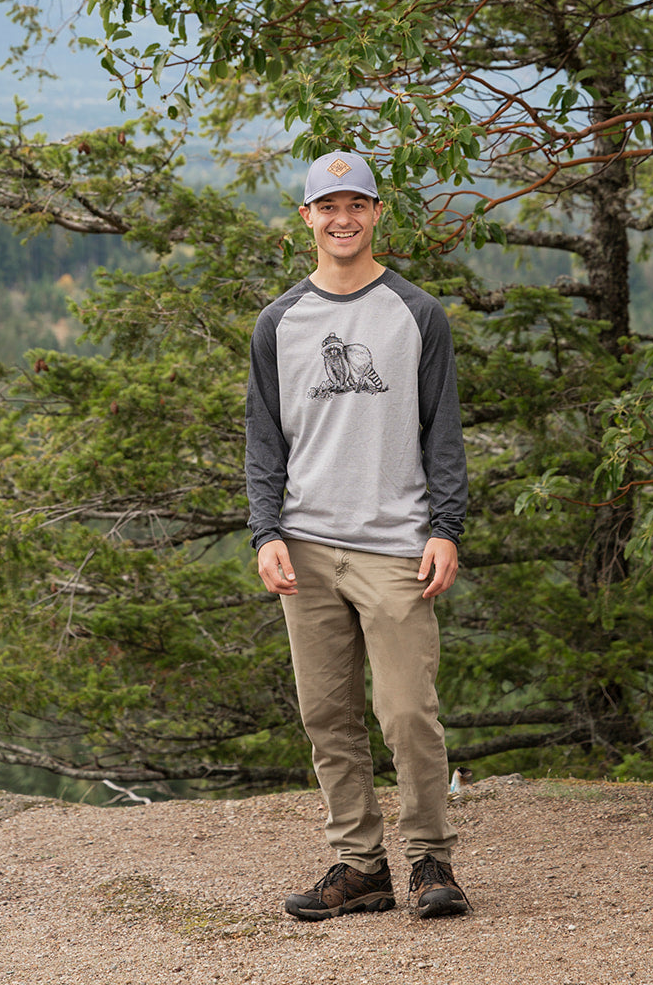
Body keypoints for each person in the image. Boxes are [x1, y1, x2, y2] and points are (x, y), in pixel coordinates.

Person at [245, 150, 470, 920]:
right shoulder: (279, 322)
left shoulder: (416, 314)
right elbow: (263, 440)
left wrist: (445, 528)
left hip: (394, 543)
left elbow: (442, 431)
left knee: (406, 710)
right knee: (326, 713)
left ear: (376, 215)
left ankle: (429, 860)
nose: (341, 219)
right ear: (304, 218)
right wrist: (263, 530)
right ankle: (359, 866)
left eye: (356, 205)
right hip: (304, 545)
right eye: (326, 206)